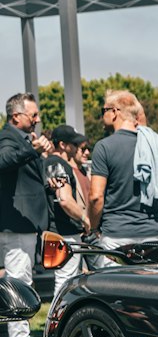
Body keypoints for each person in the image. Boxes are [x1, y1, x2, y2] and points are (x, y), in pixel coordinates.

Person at [88, 89, 158, 264]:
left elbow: (95, 197)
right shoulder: (157, 145)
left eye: (103, 111)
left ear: (115, 112)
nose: (102, 116)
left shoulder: (104, 147)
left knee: (115, 290)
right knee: (149, 289)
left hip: (116, 236)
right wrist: (157, 215)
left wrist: (93, 228)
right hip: (151, 235)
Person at [0, 93, 53, 337]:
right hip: (16, 223)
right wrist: (32, 149)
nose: (37, 120)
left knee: (23, 279)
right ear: (16, 116)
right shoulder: (8, 138)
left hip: (25, 222)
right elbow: (4, 161)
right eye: (33, 115)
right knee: (18, 282)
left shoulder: (21, 140)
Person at [46, 124, 93, 302]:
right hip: (64, 232)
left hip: (60, 231)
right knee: (66, 280)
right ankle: (57, 325)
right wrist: (84, 218)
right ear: (63, 145)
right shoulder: (58, 164)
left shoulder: (52, 163)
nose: (76, 147)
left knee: (67, 278)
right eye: (73, 144)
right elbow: (64, 199)